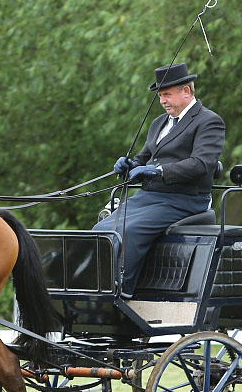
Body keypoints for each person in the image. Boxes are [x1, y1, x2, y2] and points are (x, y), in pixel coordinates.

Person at [94, 63, 225, 298]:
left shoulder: (208, 121)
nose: (163, 100)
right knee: (102, 229)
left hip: (184, 199)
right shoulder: (159, 123)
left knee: (127, 231)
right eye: (160, 96)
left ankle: (121, 291)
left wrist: (158, 171)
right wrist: (129, 165)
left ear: (186, 91)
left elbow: (201, 164)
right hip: (149, 197)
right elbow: (144, 158)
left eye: (167, 94)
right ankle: (96, 285)